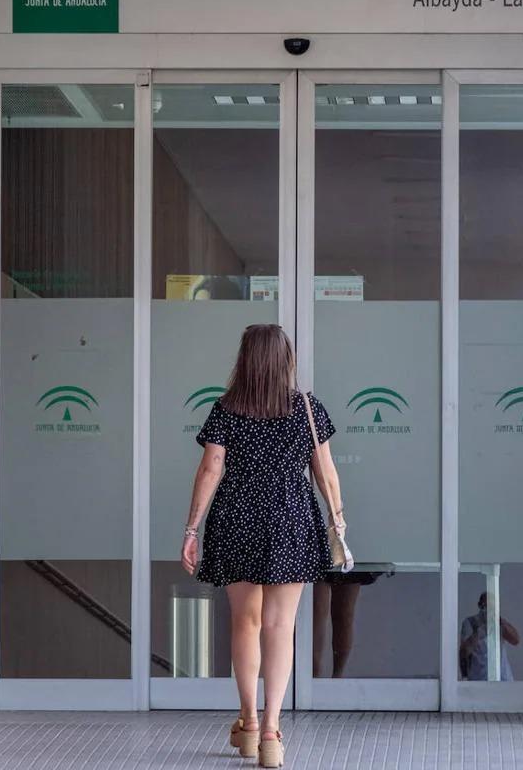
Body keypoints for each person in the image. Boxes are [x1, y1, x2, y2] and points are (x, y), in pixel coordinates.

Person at [181, 324, 346, 768]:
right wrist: (338, 519)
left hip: (236, 517)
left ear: (245, 359)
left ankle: (249, 721)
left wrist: (192, 529)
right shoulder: (306, 409)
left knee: (245, 622)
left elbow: (210, 470)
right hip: (291, 519)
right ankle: (273, 730)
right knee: (279, 626)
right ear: (284, 360)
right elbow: (325, 472)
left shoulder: (226, 409)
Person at [459, 593, 520, 682]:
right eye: (486, 605)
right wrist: (480, 630)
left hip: (503, 679)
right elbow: (464, 651)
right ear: (480, 605)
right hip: (479, 679)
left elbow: (516, 640)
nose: (489, 609)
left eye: (493, 605)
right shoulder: (470, 623)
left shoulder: (499, 622)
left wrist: (501, 622)